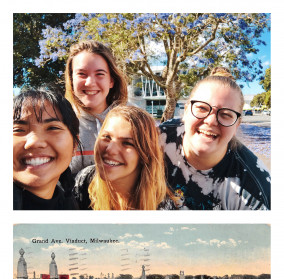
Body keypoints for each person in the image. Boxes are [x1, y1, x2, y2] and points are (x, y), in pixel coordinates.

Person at [159, 67, 271, 210]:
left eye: (225, 114)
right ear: (186, 111)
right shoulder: (158, 139)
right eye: (202, 108)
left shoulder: (254, 190)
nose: (211, 121)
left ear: (237, 125)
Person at [73, 105, 176, 210]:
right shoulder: (83, 181)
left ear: (145, 154)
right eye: (106, 137)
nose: (110, 149)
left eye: (127, 143)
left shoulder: (162, 208)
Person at [65, 40, 128, 175]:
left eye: (100, 74)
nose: (90, 82)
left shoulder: (132, 122)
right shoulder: (59, 124)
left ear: (111, 81)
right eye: (82, 74)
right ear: (71, 79)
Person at [13, 87, 80, 210]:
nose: (34, 142)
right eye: (18, 130)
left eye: (53, 128)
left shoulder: (70, 205)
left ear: (74, 145)